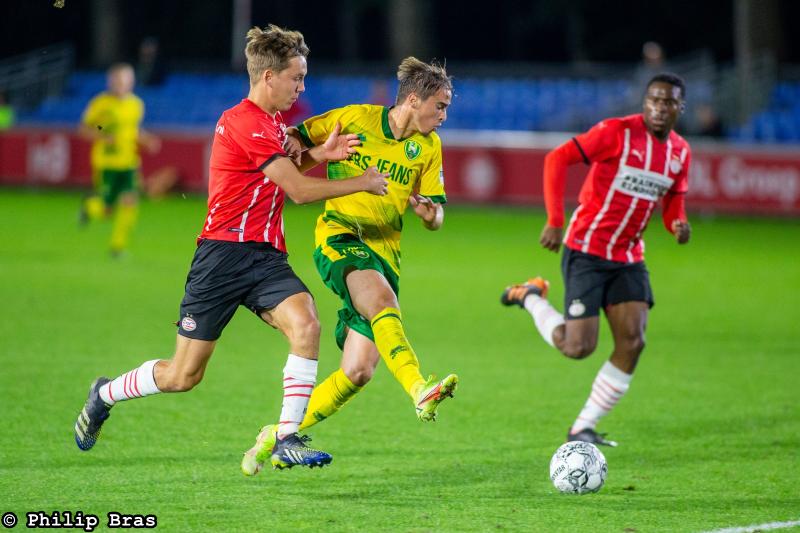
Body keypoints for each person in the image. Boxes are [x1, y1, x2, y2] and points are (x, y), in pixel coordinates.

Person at [73, 25, 389, 471]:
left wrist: (321, 155)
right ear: (268, 77)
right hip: (221, 258)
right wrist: (363, 182)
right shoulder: (244, 121)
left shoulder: (273, 123)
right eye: (296, 78)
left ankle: (286, 437)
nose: (302, 87)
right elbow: (296, 190)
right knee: (184, 376)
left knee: (307, 324)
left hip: (263, 258)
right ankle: (104, 393)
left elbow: (278, 169)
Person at [242, 57, 457, 475]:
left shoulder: (428, 148)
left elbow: (436, 216)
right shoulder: (353, 119)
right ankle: (419, 389)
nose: (444, 116)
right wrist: (302, 150)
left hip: (385, 254)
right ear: (414, 99)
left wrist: (430, 216)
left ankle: (276, 435)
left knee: (358, 370)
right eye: (441, 105)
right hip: (339, 237)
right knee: (379, 299)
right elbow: (293, 137)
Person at [501, 73, 692, 447]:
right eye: (653, 100)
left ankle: (582, 426)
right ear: (644, 103)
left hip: (628, 256)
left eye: (667, 102)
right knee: (578, 347)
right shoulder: (616, 133)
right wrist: (555, 220)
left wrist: (677, 225)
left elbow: (672, 204)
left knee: (633, 341)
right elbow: (558, 159)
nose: (658, 107)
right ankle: (530, 296)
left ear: (679, 109)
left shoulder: (680, 152)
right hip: (586, 249)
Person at [78, 63, 161, 257]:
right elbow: (83, 129)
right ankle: (89, 207)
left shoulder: (136, 104)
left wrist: (147, 139)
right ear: (111, 81)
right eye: (118, 79)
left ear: (131, 81)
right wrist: (103, 137)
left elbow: (132, 131)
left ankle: (117, 247)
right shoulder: (101, 104)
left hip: (129, 162)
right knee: (107, 211)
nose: (121, 83)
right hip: (107, 163)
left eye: (125, 79)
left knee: (130, 202)